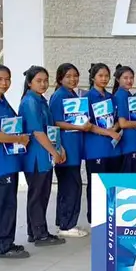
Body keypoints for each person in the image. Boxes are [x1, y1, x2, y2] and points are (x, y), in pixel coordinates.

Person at [0, 65, 30, 258]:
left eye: (7, 79)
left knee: (8, 203)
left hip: (9, 161)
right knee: (3, 205)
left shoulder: (2, 101)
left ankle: (1, 242)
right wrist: (20, 139)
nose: (4, 83)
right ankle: (4, 246)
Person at [19, 65, 67, 246]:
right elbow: (38, 133)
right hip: (36, 157)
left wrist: (59, 148)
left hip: (45, 155)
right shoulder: (30, 102)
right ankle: (40, 234)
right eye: (38, 81)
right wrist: (54, 152)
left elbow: (50, 129)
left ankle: (35, 232)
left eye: (46, 80)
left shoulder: (41, 100)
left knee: (41, 194)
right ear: (29, 83)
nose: (43, 84)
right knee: (38, 195)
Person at [49, 63, 91, 238]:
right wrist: (79, 127)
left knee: (69, 186)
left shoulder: (73, 95)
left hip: (75, 149)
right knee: (71, 187)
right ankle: (67, 225)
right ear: (60, 78)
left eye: (75, 76)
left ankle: (64, 223)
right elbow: (56, 122)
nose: (73, 79)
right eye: (68, 76)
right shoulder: (59, 96)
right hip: (66, 149)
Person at [84, 63, 122, 223]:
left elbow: (117, 119)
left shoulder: (111, 97)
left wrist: (115, 128)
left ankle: (110, 215)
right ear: (93, 77)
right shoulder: (87, 98)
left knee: (111, 183)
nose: (104, 79)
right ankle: (95, 218)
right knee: (96, 185)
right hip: (95, 148)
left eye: (107, 76)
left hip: (112, 148)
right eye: (100, 75)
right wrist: (109, 132)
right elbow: (86, 125)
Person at [113, 65, 136, 173]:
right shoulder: (121, 95)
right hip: (127, 145)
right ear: (118, 79)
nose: (129, 81)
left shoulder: (127, 94)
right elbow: (122, 123)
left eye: (131, 78)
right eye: (125, 78)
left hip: (132, 144)